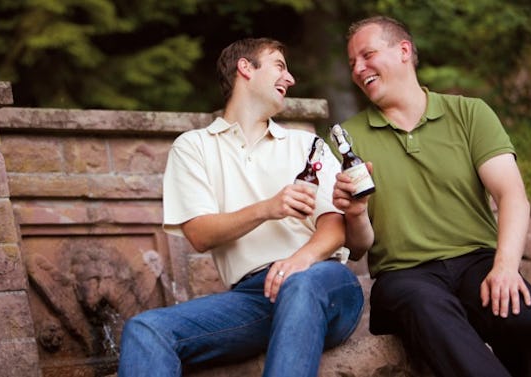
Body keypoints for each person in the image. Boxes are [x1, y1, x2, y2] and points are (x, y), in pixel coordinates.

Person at [118, 37, 367, 377]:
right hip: (254, 300)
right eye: (279, 66)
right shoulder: (193, 148)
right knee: (146, 330)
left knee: (300, 285)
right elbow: (200, 234)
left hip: (322, 282)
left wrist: (300, 260)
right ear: (245, 68)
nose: (290, 78)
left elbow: (334, 225)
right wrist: (268, 208)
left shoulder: (305, 144)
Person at [333, 15, 531, 377]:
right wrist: (358, 212)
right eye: (352, 64)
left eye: (367, 55)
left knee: (521, 318)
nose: (359, 69)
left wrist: (504, 267)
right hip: (404, 276)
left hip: (477, 261)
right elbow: (358, 248)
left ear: (404, 51)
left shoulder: (469, 113)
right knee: (427, 307)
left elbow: (512, 196)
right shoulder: (348, 139)